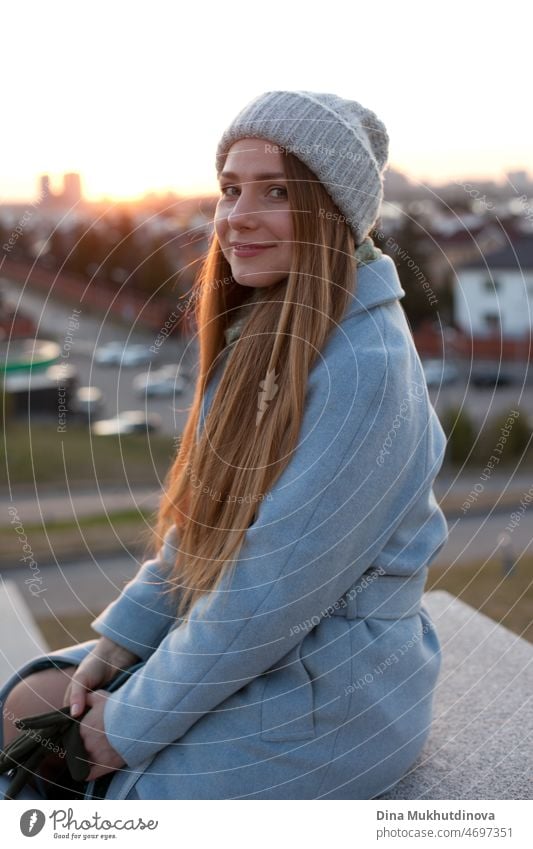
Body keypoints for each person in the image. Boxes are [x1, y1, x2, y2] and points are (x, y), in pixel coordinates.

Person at [0, 90, 449, 801]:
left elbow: (268, 597)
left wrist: (127, 725)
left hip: (330, 690)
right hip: (256, 650)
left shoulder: (362, 368)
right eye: (230, 189)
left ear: (333, 212)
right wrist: (121, 644)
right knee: (28, 703)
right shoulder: (267, 329)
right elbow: (202, 533)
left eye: (275, 191)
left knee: (111, 800)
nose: (237, 216)